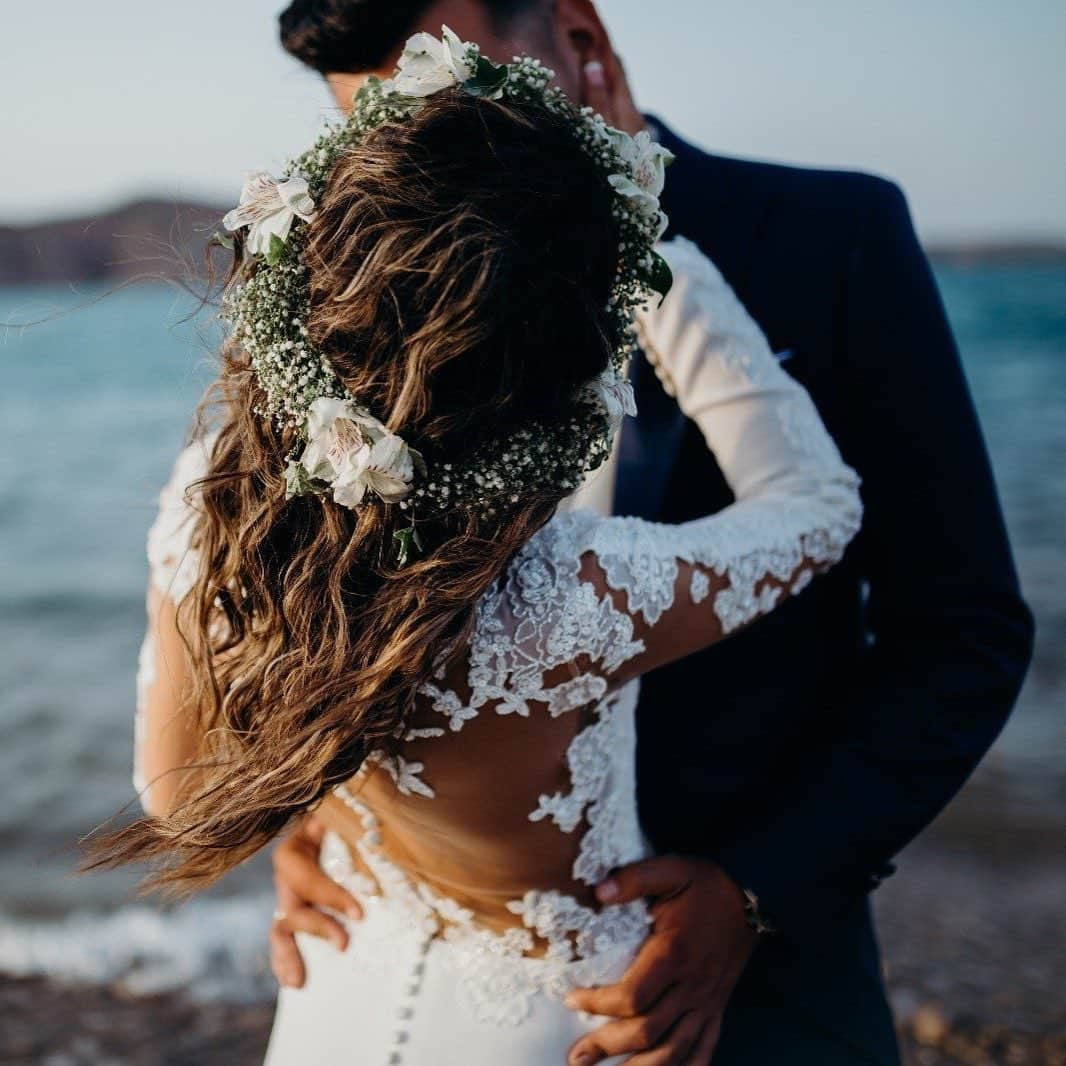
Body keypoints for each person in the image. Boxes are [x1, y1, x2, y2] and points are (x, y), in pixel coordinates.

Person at [266, 3, 1036, 1065]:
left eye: (450, 108)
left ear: (578, 39)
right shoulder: (371, 269)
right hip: (434, 969)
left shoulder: (827, 239)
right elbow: (335, 594)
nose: (420, 166)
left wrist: (755, 890)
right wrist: (320, 809)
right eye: (378, 134)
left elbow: (963, 631)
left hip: (756, 988)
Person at [99, 28, 866, 1066]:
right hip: (565, 1029)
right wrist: (656, 250)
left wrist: (308, 802)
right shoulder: (573, 596)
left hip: (337, 988)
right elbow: (815, 504)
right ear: (563, 390)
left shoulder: (212, 507)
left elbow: (179, 798)